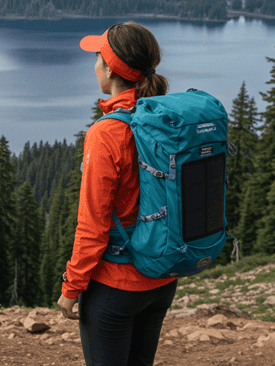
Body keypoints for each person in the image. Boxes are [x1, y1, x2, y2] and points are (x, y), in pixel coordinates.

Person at [57, 21, 177, 366]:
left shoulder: (107, 133)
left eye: (97, 57)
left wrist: (72, 287)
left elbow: (93, 224)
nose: (94, 64)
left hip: (116, 287)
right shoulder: (166, 119)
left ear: (109, 69)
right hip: (162, 279)